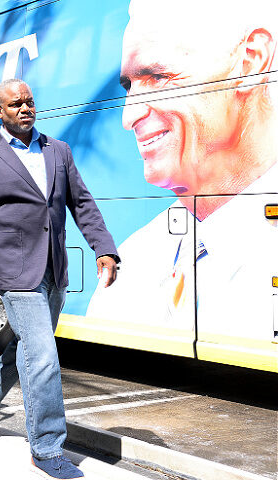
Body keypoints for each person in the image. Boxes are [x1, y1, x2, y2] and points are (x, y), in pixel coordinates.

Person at [87, 0, 278, 344]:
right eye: (129, 86)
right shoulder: (135, 262)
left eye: (158, 77)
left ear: (251, 62)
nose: (128, 118)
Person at [0, 79, 119, 480]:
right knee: (44, 356)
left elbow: (81, 202)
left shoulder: (57, 150)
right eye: (15, 104)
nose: (26, 108)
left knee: (27, 349)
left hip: (54, 270)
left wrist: (104, 248)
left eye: (29, 101)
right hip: (15, 273)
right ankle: (47, 448)